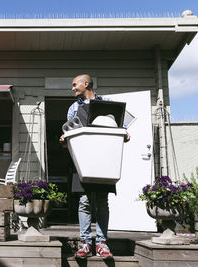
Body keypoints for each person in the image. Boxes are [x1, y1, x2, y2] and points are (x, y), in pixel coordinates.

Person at [59, 74, 130, 260]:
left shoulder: (108, 104)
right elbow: (69, 133)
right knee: (84, 201)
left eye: (75, 85)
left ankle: (102, 244)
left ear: (86, 84)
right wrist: (64, 138)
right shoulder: (73, 108)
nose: (73, 88)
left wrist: (125, 133)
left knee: (102, 201)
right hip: (82, 160)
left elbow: (119, 129)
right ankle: (85, 244)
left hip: (105, 160)